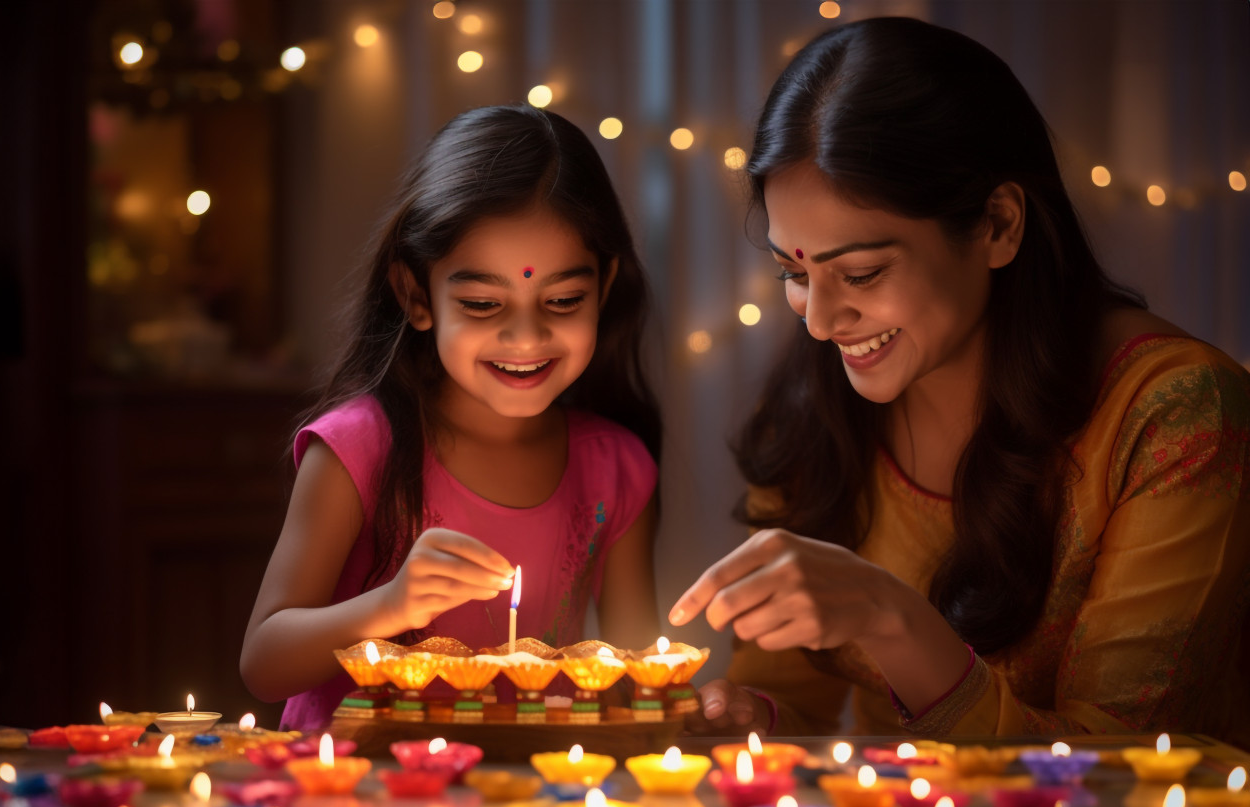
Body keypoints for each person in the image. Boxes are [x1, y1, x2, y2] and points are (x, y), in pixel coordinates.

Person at [669, 16, 1250, 745]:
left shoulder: (1176, 413)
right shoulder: (814, 403)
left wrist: (895, 621)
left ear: (999, 226)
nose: (819, 321)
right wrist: (751, 714)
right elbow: (797, 704)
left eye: (862, 273)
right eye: (794, 272)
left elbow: (1117, 772)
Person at [240, 104, 663, 732]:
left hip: (523, 806)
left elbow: (638, 681)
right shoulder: (359, 450)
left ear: (602, 287)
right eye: (484, 303)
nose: (526, 336)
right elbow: (264, 662)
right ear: (416, 296)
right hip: (360, 804)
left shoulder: (616, 467)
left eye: (564, 300)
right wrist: (392, 604)